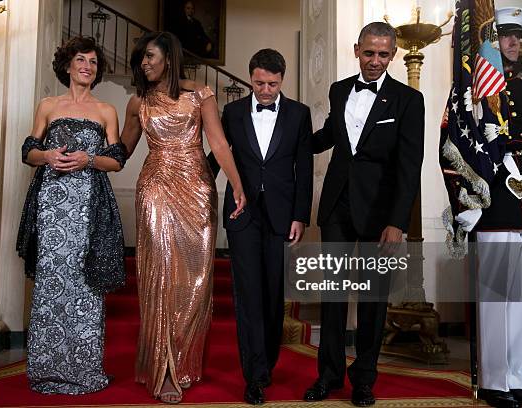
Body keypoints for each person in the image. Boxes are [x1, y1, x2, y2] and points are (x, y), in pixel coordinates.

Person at [120, 31, 245, 404]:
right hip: (156, 185)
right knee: (160, 274)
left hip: (196, 188)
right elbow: (121, 150)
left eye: (150, 56)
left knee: (195, 280)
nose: (145, 63)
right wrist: (85, 156)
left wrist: (237, 186)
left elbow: (218, 143)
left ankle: (184, 361)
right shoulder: (137, 100)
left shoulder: (200, 93)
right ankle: (164, 369)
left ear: (169, 59)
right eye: (141, 57)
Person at [303, 22, 424, 406]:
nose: (375, 61)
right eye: (369, 52)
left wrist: (397, 222)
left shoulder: (408, 100)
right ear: (357, 50)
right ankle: (328, 376)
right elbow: (330, 136)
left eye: (383, 54)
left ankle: (364, 381)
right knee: (333, 297)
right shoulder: (339, 90)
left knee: (373, 300)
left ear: (392, 55)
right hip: (337, 205)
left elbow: (409, 167)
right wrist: (286, 136)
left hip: (379, 214)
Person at [16, 36, 126, 395]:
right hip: (51, 203)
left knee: (85, 285)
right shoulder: (48, 105)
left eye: (93, 62)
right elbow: (28, 150)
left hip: (89, 206)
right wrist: (46, 157)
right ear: (67, 65)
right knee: (51, 281)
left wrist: (89, 160)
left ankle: (83, 370)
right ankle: (45, 370)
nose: (87, 66)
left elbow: (117, 160)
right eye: (81, 59)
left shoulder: (107, 110)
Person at [209, 48, 313, 405]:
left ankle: (267, 362)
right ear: (250, 78)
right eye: (258, 83)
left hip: (283, 217)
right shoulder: (233, 112)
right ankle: (252, 375)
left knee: (273, 296)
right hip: (242, 214)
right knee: (247, 294)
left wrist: (301, 216)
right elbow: (217, 156)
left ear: (282, 80)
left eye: (272, 83)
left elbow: (304, 169)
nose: (265, 90)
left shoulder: (300, 114)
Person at [472, 7, 522, 408]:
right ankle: (495, 381)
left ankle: (519, 378)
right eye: (504, 36)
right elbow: (462, 145)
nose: (512, 42)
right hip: (496, 200)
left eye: (517, 36)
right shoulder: (477, 89)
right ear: (492, 43)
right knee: (496, 296)